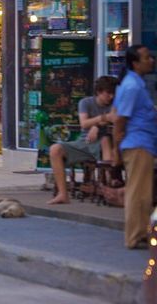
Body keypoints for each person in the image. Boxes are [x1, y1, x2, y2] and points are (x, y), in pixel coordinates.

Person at [46, 76, 118, 205]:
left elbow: (115, 120)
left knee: (106, 140)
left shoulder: (116, 104)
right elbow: (84, 123)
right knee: (55, 149)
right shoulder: (86, 102)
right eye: (108, 93)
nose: (111, 96)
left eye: (113, 93)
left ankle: (110, 188)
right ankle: (63, 194)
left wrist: (96, 126)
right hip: (84, 142)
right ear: (99, 92)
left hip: (105, 142)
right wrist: (102, 119)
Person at [113, 45, 157, 250]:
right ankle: (134, 236)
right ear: (135, 63)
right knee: (137, 193)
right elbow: (120, 119)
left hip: (144, 143)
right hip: (137, 143)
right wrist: (116, 149)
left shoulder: (137, 84)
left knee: (143, 193)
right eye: (147, 58)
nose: (151, 60)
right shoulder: (132, 86)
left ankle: (140, 232)